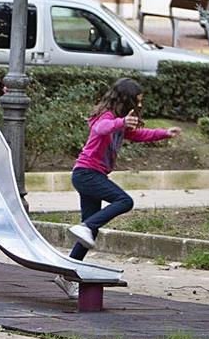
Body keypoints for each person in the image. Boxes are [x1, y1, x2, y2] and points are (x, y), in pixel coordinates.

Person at [57, 78, 180, 298]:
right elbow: (100, 128)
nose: (140, 106)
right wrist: (120, 122)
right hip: (86, 173)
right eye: (138, 101)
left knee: (89, 232)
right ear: (126, 100)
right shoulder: (107, 117)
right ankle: (86, 226)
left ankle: (67, 275)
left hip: (90, 175)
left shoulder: (120, 124)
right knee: (124, 201)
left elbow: (140, 134)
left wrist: (164, 133)